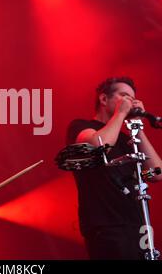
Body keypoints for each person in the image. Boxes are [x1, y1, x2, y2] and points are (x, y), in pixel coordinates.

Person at [66, 77, 162, 260]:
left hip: (139, 227)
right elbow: (97, 147)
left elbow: (156, 173)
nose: (130, 102)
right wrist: (121, 113)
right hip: (107, 227)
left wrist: (137, 128)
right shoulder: (81, 127)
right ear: (104, 99)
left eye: (133, 99)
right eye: (124, 95)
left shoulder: (127, 141)